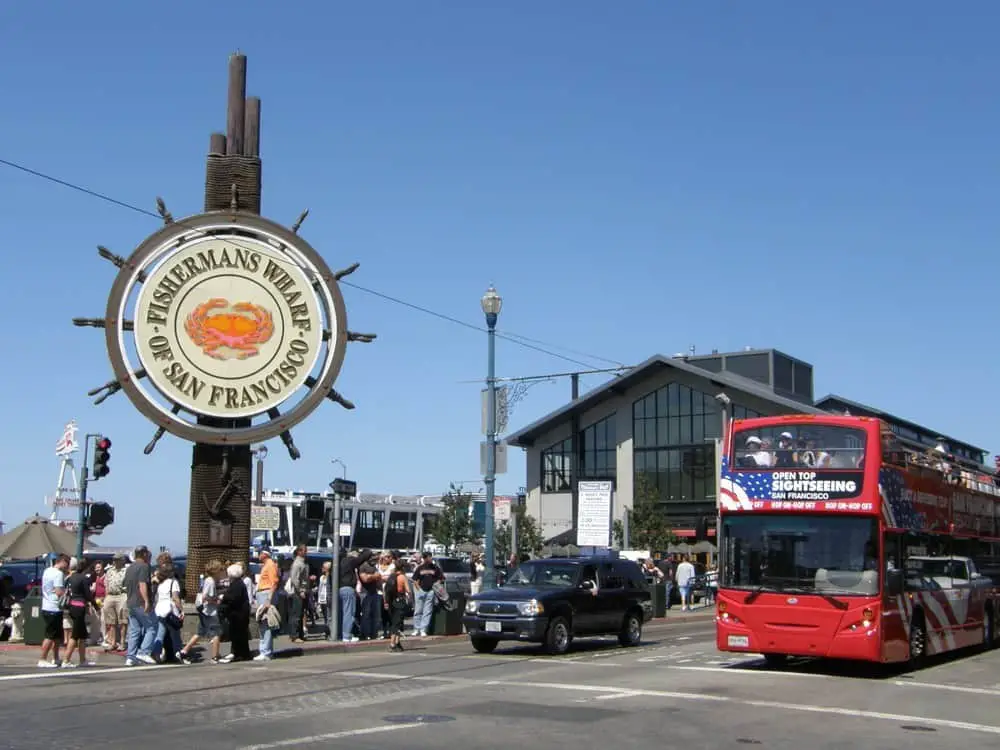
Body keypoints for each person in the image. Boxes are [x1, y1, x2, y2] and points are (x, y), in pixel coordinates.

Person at [38, 554, 70, 668]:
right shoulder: (58, 574)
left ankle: (55, 658)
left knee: (57, 636)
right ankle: (42, 658)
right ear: (62, 562)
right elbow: (58, 591)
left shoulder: (47, 570)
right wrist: (66, 593)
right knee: (50, 635)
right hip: (54, 607)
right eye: (67, 563)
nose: (68, 566)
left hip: (46, 605)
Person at [220, 563, 252, 662]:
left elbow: (234, 598)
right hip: (240, 613)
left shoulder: (237, 584)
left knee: (238, 634)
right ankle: (240, 653)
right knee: (240, 634)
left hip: (238, 614)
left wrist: (223, 597)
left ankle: (240, 654)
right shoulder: (238, 583)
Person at [384, 558, 411, 653]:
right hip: (400, 601)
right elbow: (408, 590)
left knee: (396, 622)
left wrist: (386, 602)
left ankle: (397, 642)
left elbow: (386, 590)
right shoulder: (403, 577)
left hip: (392, 601)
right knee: (397, 623)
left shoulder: (392, 576)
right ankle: (392, 644)